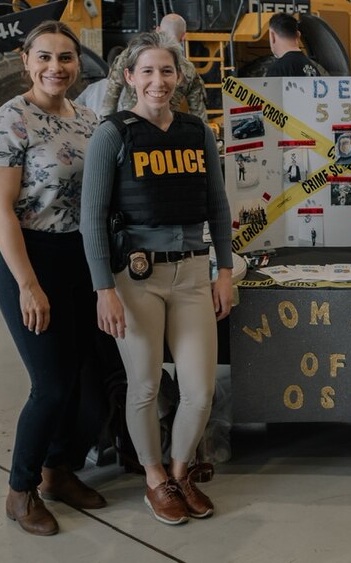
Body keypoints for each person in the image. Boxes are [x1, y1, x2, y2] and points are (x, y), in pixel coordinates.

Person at [80, 32, 234, 526]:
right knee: (144, 386)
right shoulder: (113, 133)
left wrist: (224, 270)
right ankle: (154, 480)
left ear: (179, 77)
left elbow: (218, 204)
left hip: (192, 274)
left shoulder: (197, 130)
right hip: (136, 279)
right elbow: (93, 218)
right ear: (129, 78)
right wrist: (104, 288)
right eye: (146, 71)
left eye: (166, 71)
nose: (158, 81)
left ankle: (180, 470)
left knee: (199, 391)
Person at [0, 20, 106, 536]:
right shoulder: (7, 122)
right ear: (26, 61)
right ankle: (20, 490)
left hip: (85, 258)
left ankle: (59, 470)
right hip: (32, 257)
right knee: (51, 385)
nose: (57, 67)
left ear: (78, 64)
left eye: (66, 58)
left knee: (90, 383)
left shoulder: (91, 120)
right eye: (45, 57)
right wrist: (28, 284)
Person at [79, 14, 207, 120]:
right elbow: (199, 113)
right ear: (184, 35)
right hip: (167, 130)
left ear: (158, 30)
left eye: (166, 71)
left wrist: (107, 125)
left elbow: (112, 92)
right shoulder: (189, 69)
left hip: (130, 124)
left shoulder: (129, 56)